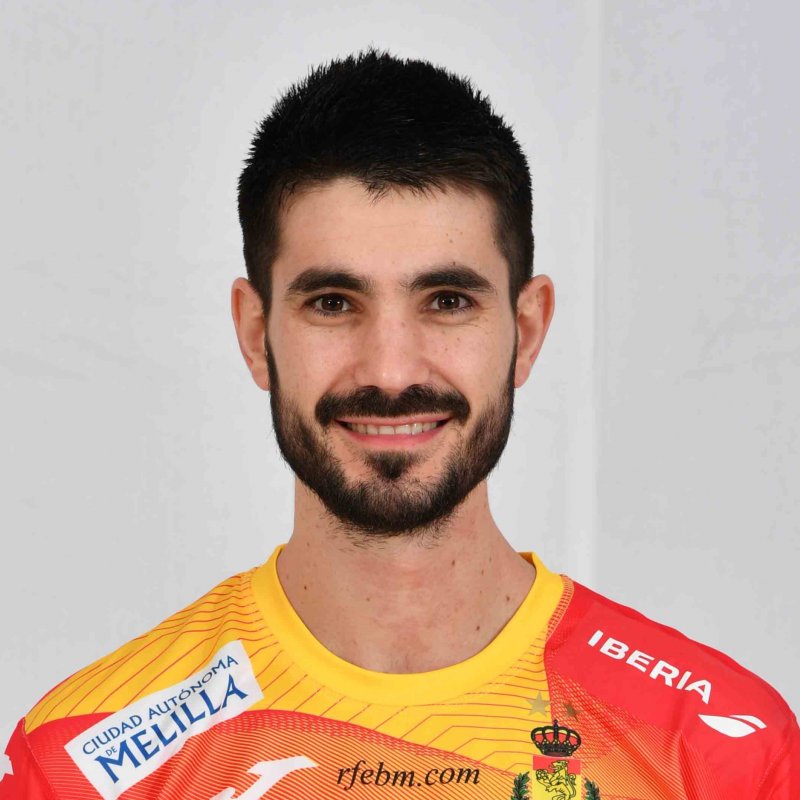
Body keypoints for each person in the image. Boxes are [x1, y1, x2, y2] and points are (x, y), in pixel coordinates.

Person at [2, 48, 797, 800]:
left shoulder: (723, 751)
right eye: (332, 303)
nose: (389, 370)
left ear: (527, 330)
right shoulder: (81, 763)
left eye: (447, 301)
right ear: (255, 333)